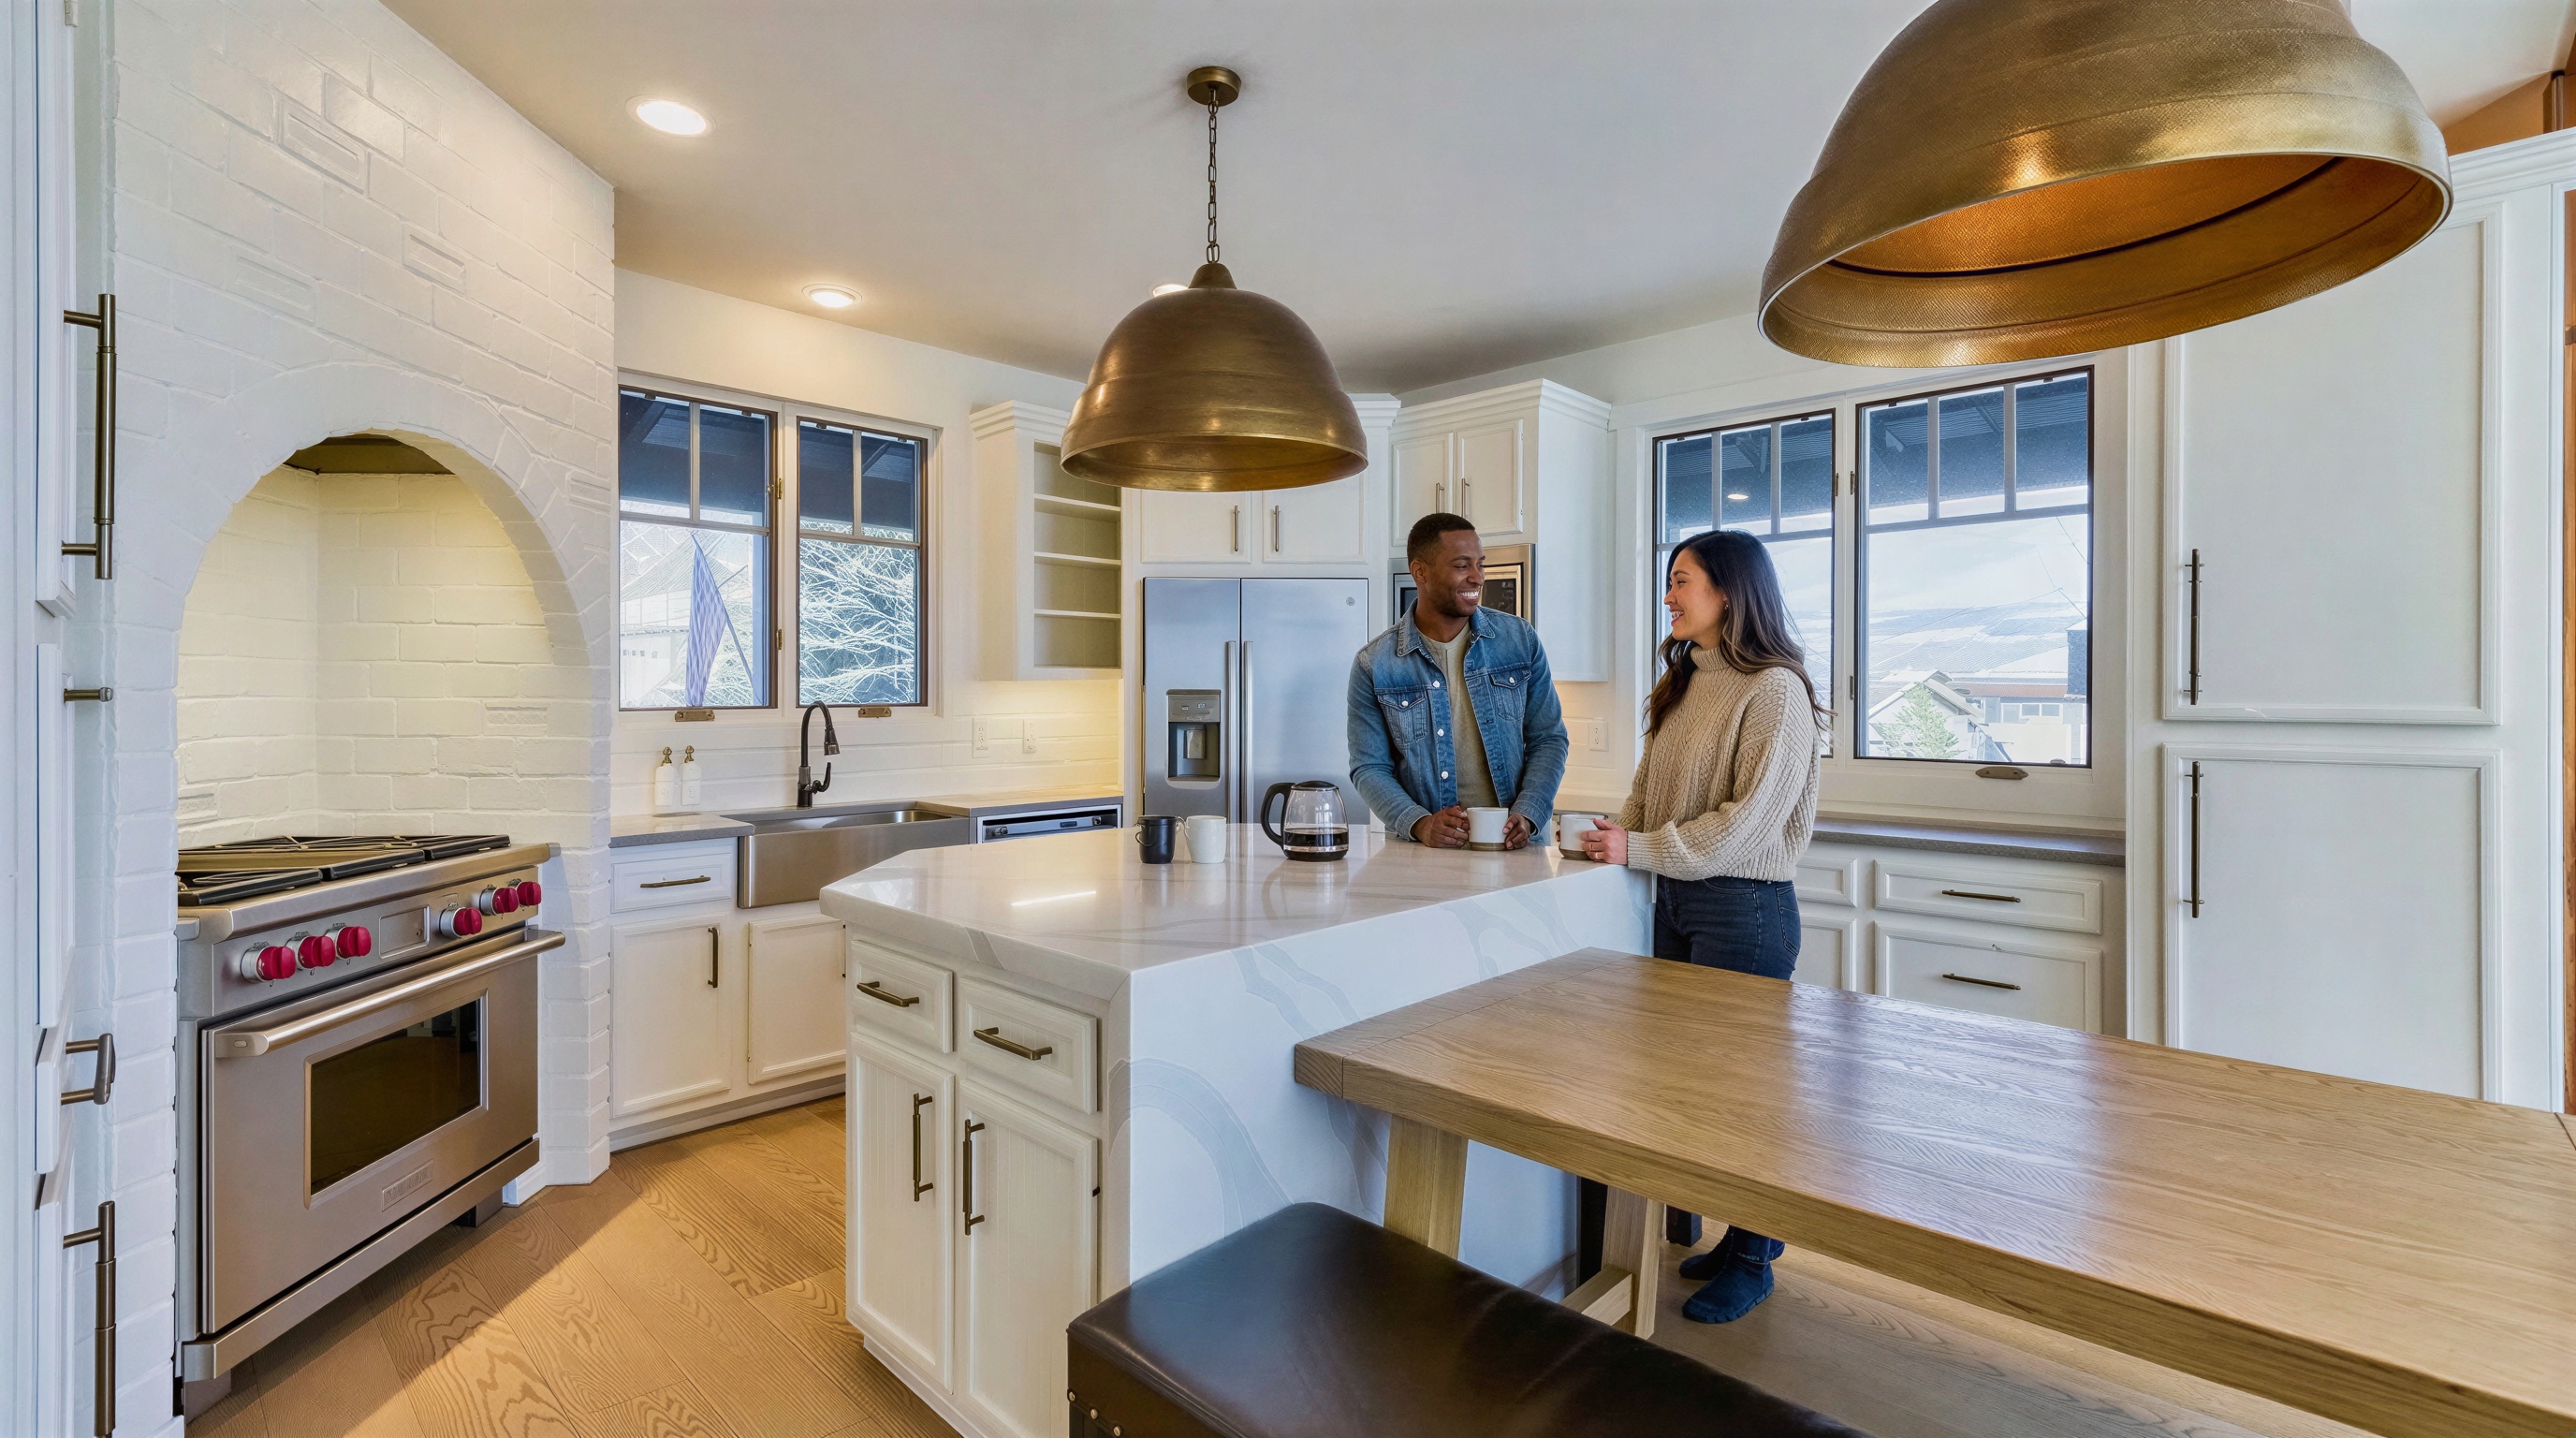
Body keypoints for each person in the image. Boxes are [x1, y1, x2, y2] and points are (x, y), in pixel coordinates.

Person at [1579, 527, 1825, 1324]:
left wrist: (1639, 848)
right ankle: (1741, 1236)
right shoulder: (1686, 678)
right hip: (1680, 900)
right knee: (1693, 1091)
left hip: (1744, 908)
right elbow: (1649, 792)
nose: (1668, 596)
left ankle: (1753, 1258)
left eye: (1681, 580)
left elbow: (1749, 826)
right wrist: (1613, 835)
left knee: (1743, 1099)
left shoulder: (1775, 690)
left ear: (1729, 590)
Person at [1348, 513, 1568, 849]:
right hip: (1425, 853)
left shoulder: (1520, 640)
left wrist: (1529, 812)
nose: (1477, 578)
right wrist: (1420, 824)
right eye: (1462, 566)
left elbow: (1549, 739)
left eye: (1481, 565)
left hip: (1516, 849)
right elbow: (1369, 767)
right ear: (1420, 572)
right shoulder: (1375, 663)